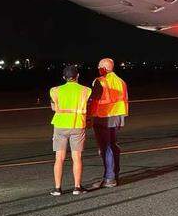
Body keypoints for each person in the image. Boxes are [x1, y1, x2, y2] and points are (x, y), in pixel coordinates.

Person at [49, 65, 91, 196]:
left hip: (60, 125)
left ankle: (57, 188)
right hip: (78, 124)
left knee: (59, 158)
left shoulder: (54, 90)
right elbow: (88, 107)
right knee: (77, 157)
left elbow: (53, 107)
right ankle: (77, 187)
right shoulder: (86, 90)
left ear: (64, 77)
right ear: (77, 76)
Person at [89, 57, 129, 188]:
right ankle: (113, 175)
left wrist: (89, 118)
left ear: (103, 68)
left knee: (105, 147)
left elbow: (93, 101)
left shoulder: (100, 81)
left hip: (103, 116)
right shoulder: (121, 81)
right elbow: (124, 100)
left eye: (99, 67)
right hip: (116, 116)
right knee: (113, 145)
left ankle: (110, 178)